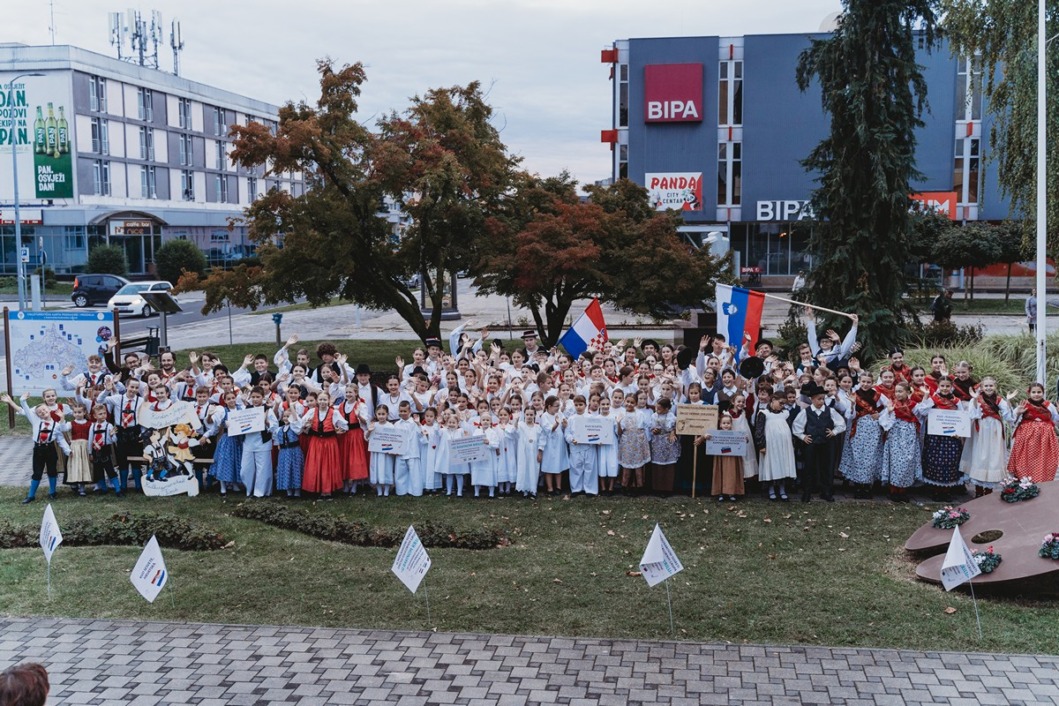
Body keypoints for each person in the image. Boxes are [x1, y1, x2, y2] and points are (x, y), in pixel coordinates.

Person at [2, 392, 70, 504]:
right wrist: (23, 400)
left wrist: (68, 451)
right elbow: (26, 410)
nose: (42, 412)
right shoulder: (36, 421)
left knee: (52, 470)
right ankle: (31, 495)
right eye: (39, 412)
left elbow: (61, 440)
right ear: (37, 415)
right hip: (38, 449)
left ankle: (52, 492)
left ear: (49, 410)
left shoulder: (56, 425)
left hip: (50, 449)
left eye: (44, 410)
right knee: (37, 472)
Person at [792, 382, 846, 502]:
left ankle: (826, 491)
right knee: (809, 467)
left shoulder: (830, 411)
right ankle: (807, 492)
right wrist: (803, 437)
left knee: (827, 467)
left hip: (827, 443)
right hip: (811, 443)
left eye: (823, 399)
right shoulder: (806, 412)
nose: (821, 401)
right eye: (818, 399)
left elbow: (841, 423)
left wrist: (834, 432)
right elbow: (796, 426)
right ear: (812, 399)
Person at [915, 377, 967, 501]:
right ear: (938, 386)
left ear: (951, 387)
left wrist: (959, 431)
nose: (945, 388)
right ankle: (936, 491)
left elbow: (962, 417)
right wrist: (927, 396)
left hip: (951, 437)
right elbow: (921, 411)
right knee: (935, 460)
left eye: (947, 386)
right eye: (942, 386)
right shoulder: (933, 399)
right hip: (935, 436)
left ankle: (947, 491)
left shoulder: (956, 401)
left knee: (950, 461)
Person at [962, 377, 1012, 497]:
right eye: (986, 386)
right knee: (980, 455)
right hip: (981, 430)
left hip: (995, 429)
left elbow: (1008, 415)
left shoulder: (999, 400)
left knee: (993, 455)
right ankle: (978, 490)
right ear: (982, 387)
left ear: (995, 387)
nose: (989, 388)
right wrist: (974, 400)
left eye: (991, 386)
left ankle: (988, 491)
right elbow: (973, 414)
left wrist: (1009, 402)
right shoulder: (977, 399)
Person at [879, 382, 923, 502]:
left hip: (909, 435)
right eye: (896, 391)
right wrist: (888, 412)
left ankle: (903, 490)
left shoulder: (914, 405)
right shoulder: (892, 404)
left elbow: (923, 414)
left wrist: (926, 396)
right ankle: (893, 490)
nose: (897, 394)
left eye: (900, 391)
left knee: (908, 461)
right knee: (895, 461)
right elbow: (883, 422)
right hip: (895, 435)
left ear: (908, 392)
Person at [1007, 382, 1059, 484]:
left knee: (1044, 459)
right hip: (1026, 438)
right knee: (1025, 459)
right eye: (1033, 392)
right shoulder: (1024, 404)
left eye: (1039, 392)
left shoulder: (1049, 405)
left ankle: (1042, 480)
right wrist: (1018, 413)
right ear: (1029, 393)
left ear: (1043, 393)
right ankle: (1025, 480)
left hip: (1045, 439)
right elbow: (1012, 420)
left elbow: (1055, 420)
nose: (1036, 394)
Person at [755, 393, 796, 501]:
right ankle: (771, 489)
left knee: (784, 465)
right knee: (771, 465)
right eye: (780, 403)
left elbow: (790, 428)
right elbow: (759, 430)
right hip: (770, 445)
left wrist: (792, 443)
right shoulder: (764, 413)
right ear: (773, 400)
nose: (782, 405)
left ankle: (782, 489)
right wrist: (761, 445)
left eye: (784, 404)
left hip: (784, 445)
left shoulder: (786, 413)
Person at [703, 412, 744, 501]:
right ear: (720, 425)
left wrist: (745, 439)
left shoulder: (735, 434)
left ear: (731, 424)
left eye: (728, 423)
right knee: (720, 473)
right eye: (724, 423)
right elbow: (709, 441)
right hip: (720, 458)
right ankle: (720, 492)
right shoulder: (716, 434)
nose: (726, 425)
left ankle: (731, 492)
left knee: (731, 474)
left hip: (732, 458)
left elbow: (742, 441)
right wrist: (706, 437)